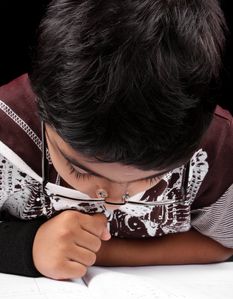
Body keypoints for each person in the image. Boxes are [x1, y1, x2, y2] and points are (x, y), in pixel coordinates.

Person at [0, 0, 232, 281]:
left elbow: (222, 244)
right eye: (81, 169)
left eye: (152, 177)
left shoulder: (216, 147)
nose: (112, 202)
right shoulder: (6, 129)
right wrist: (26, 246)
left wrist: (98, 252)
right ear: (43, 105)